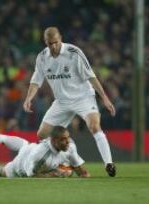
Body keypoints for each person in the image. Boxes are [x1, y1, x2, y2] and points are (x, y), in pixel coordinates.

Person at [23, 27, 116, 177]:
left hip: (83, 97)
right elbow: (36, 80)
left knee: (94, 126)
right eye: (49, 44)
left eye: (55, 42)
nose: (53, 46)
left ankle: (109, 164)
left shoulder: (74, 53)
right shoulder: (41, 57)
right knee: (42, 134)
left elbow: (90, 76)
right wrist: (29, 98)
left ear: (60, 39)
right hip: (62, 102)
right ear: (45, 42)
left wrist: (104, 97)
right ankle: (64, 162)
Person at [0, 126, 90, 178]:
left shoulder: (70, 146)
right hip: (22, 165)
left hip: (30, 148)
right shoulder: (41, 156)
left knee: (24, 144)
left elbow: (81, 171)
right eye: (63, 140)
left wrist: (83, 174)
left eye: (68, 138)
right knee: (1, 172)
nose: (68, 142)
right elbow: (32, 175)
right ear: (54, 140)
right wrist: (55, 175)